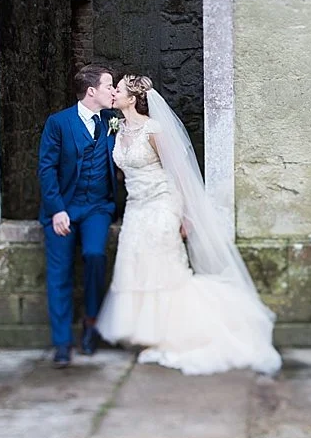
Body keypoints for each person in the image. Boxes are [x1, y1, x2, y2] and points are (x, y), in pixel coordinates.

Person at [96, 75, 282, 375]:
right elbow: (124, 170)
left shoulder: (153, 130)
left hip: (162, 205)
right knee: (135, 265)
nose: (113, 94)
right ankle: (148, 333)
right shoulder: (116, 131)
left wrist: (186, 215)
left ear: (132, 98)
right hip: (135, 207)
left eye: (118, 90)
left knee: (163, 268)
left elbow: (179, 173)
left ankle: (176, 333)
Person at [37, 64, 118, 367]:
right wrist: (57, 209)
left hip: (98, 206)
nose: (114, 90)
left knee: (96, 255)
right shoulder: (58, 123)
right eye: (109, 85)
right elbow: (46, 169)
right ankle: (61, 344)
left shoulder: (113, 121)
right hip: (64, 207)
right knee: (59, 275)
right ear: (91, 91)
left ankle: (92, 323)